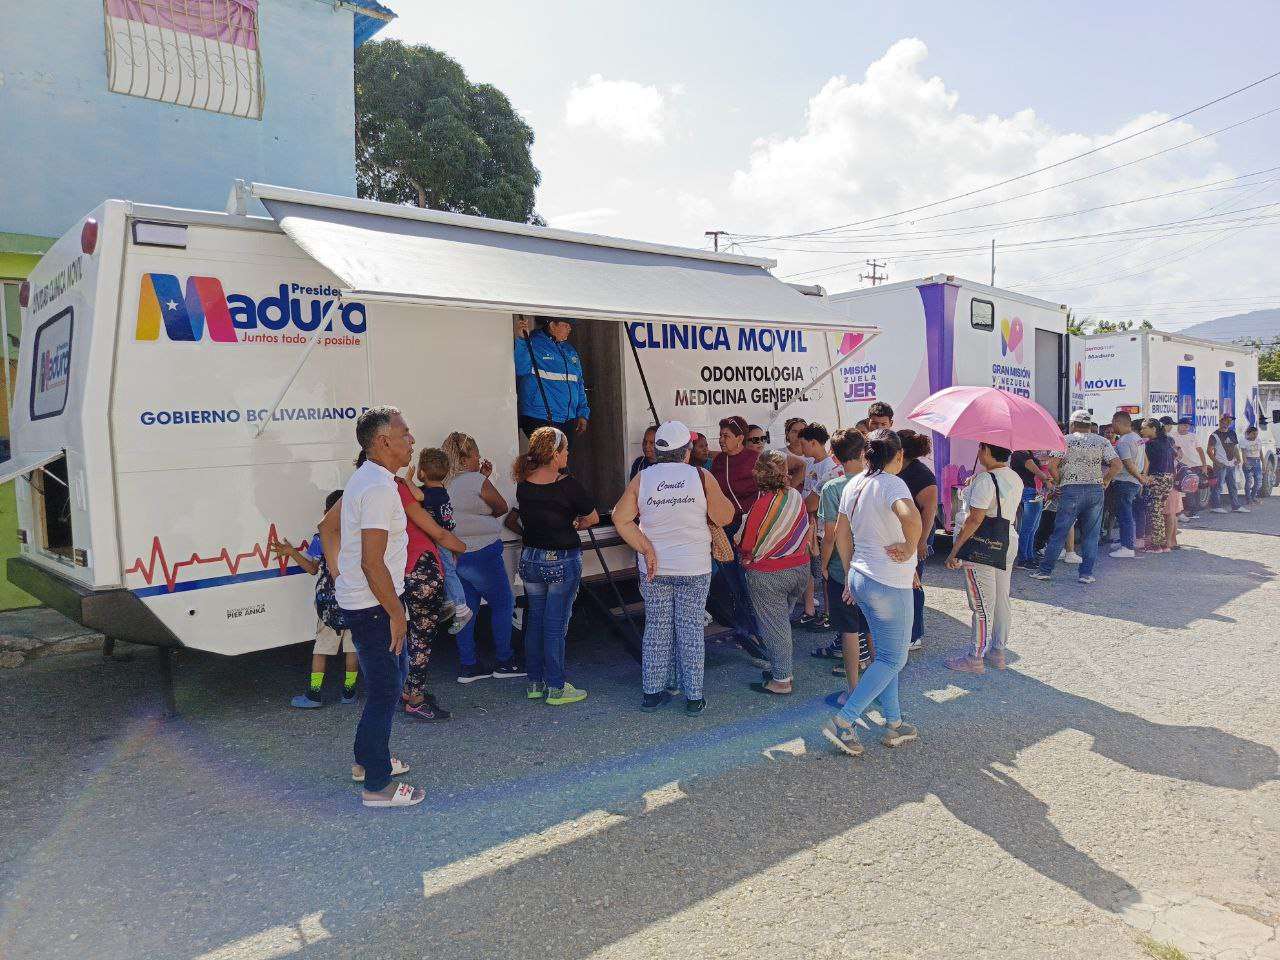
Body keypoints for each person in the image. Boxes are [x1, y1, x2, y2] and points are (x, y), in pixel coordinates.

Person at [329, 406, 424, 809]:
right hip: (374, 605)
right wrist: (396, 614)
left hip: (371, 601)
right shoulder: (378, 488)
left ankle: (368, 761)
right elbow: (372, 562)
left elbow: (336, 533)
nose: (412, 440)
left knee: (389, 683)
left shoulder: (371, 479)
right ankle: (377, 787)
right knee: (386, 690)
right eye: (405, 434)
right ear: (384, 441)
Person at [612, 420, 735, 714]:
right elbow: (725, 516)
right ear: (687, 451)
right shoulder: (701, 476)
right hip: (694, 566)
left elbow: (620, 518)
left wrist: (646, 547)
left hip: (654, 568)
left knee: (657, 627)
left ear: (658, 451)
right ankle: (693, 697)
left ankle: (652, 693)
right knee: (690, 629)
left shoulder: (642, 478)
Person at [821, 429, 921, 756]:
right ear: (898, 456)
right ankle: (844, 721)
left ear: (866, 454)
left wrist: (850, 571)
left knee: (888, 656)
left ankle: (894, 722)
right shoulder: (892, 484)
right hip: (888, 582)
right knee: (894, 657)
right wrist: (910, 546)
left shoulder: (854, 484)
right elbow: (912, 517)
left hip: (862, 577)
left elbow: (841, 534)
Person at [512, 426, 598, 705]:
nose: (568, 455)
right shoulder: (567, 484)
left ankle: (535, 683)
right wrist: (577, 523)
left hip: (530, 558)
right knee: (555, 625)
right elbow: (593, 517)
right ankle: (557, 687)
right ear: (555, 454)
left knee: (534, 621)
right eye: (566, 450)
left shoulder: (523, 484)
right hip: (561, 558)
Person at [441, 432, 522, 684]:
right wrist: (483, 484)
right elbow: (501, 507)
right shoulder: (476, 480)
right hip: (484, 552)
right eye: (476, 455)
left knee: (466, 610)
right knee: (503, 604)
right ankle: (504, 661)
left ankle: (469, 666)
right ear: (466, 458)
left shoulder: (443, 482)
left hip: (456, 555)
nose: (479, 459)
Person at [270, 490, 357, 709]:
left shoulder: (321, 538)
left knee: (322, 649)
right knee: (352, 648)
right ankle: (349, 691)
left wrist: (291, 552)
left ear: (326, 512)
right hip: (354, 597)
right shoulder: (358, 534)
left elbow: (311, 568)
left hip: (328, 601)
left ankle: (315, 693)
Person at [944, 443, 1023, 674]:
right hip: (1007, 540)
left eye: (980, 449)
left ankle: (975, 658)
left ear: (987, 450)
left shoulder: (985, 480)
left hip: (981, 545)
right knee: (1001, 599)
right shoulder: (1014, 477)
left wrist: (956, 550)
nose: (978, 453)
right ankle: (997, 651)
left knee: (981, 603)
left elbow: (975, 519)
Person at [737, 451, 811, 695]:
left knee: (775, 626)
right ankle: (781, 666)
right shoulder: (795, 496)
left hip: (769, 574)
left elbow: (747, 544)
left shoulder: (761, 505)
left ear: (758, 474)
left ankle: (781, 680)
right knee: (781, 623)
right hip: (800, 568)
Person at [395, 465, 461, 722]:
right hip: (421, 566)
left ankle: (409, 690)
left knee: (409, 637)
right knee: (421, 638)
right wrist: (462, 547)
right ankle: (416, 700)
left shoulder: (369, 490)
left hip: (403, 568)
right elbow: (437, 531)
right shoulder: (397, 487)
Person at [1032, 410, 1120, 586]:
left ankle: (1045, 571)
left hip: (1070, 490)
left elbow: (1052, 466)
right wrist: (1106, 480)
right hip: (1095, 490)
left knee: (1060, 532)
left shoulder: (1064, 440)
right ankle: (1086, 574)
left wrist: (1060, 482)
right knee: (1091, 534)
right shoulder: (1102, 441)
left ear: (1072, 424)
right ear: (1089, 425)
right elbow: (1117, 464)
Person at [816, 429, 871, 698]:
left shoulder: (832, 488)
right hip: (872, 566)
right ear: (864, 452)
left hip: (843, 569)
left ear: (835, 458)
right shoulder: (876, 482)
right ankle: (880, 684)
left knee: (849, 629)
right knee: (871, 626)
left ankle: (854, 689)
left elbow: (830, 535)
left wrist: (823, 564)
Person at [710, 415, 765, 659]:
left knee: (747, 579)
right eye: (720, 435)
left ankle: (757, 630)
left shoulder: (755, 459)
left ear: (740, 438)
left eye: (726, 436)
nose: (721, 440)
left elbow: (766, 489)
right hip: (726, 526)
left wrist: (752, 515)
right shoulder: (718, 461)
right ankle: (742, 628)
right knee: (731, 579)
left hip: (749, 526)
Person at [417, 448, 472, 633]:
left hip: (443, 537)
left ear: (422, 472)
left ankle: (462, 609)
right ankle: (449, 601)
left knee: (448, 571)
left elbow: (416, 496)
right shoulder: (437, 489)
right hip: (447, 533)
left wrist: (405, 480)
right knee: (445, 569)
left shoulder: (432, 493)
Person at [513, 316, 589, 445]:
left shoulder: (570, 351)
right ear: (553, 325)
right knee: (549, 458)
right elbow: (521, 369)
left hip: (567, 420)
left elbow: (578, 383)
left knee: (561, 457)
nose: (570, 329)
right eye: (566, 325)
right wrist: (522, 340)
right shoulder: (533, 343)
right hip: (539, 417)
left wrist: (582, 413)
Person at [796, 422, 841, 630]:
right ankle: (811, 611)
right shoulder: (810, 464)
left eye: (803, 444)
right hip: (810, 525)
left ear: (814, 442)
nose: (801, 448)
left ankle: (829, 614)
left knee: (825, 572)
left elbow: (815, 501)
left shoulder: (830, 467)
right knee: (811, 569)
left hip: (824, 527)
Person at [897, 430, 937, 651]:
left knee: (913, 584)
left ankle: (914, 634)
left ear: (901, 451)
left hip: (917, 537)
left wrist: (921, 543)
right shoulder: (899, 469)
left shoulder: (922, 475)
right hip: (903, 536)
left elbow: (929, 511)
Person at [1109, 412, 1149, 558]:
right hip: (1134, 482)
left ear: (1118, 422)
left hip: (1125, 482)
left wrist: (1140, 478)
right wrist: (1142, 477)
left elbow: (1127, 463)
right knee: (1128, 514)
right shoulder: (1137, 438)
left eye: (1113, 423)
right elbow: (1146, 460)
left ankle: (1127, 547)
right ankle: (1126, 542)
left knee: (1125, 515)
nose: (1112, 426)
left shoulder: (1124, 441)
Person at [1011, 450, 1053, 569]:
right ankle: (1024, 559)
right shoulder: (1020, 454)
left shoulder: (1026, 453)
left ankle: (1029, 557)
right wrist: (1046, 480)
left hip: (1030, 490)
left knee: (1032, 528)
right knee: (1028, 528)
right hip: (1028, 491)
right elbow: (1036, 470)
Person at [1141, 418, 1176, 553]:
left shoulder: (1150, 444)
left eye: (1144, 428)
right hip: (1168, 478)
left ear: (1153, 429)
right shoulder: (1168, 441)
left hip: (1156, 478)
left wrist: (1144, 477)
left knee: (1155, 512)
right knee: (1159, 510)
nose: (1141, 430)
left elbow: (1147, 463)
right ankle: (1164, 544)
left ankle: (1156, 545)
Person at [1209, 414, 1248, 514]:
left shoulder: (1232, 433)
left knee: (1233, 486)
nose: (1228, 423)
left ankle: (1236, 506)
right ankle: (1215, 506)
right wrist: (1217, 463)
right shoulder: (1214, 435)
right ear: (1221, 421)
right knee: (1218, 486)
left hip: (1231, 464)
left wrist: (1238, 458)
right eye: (1226, 421)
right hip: (1220, 465)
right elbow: (1209, 451)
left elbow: (1235, 447)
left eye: (1230, 421)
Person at [1172, 417, 1208, 520]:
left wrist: (1204, 465)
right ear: (1179, 425)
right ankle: (1189, 511)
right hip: (1182, 466)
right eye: (1184, 425)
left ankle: (1194, 511)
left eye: (1188, 425)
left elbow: (1200, 450)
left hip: (1195, 465)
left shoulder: (1193, 436)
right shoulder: (1173, 436)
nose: (1186, 427)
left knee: (1193, 489)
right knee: (1186, 489)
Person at [1242, 426, 1265, 502]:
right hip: (1248, 460)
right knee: (1249, 481)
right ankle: (1248, 499)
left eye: (1256, 434)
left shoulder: (1258, 440)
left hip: (1257, 461)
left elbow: (1261, 453)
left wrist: (1263, 463)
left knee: (1259, 482)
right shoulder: (1244, 441)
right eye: (1253, 434)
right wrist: (1246, 464)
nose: (1255, 436)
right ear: (1249, 434)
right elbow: (1243, 454)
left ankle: (1253, 496)